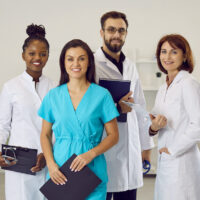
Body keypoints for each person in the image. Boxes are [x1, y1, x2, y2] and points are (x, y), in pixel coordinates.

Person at [38, 39, 119, 200]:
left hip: (92, 170)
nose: (76, 63)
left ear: (89, 62)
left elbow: (113, 136)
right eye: (70, 58)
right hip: (60, 170)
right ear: (63, 63)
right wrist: (51, 164)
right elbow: (45, 135)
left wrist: (90, 154)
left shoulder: (102, 95)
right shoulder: (53, 96)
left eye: (81, 58)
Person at [94, 11, 154, 200]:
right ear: (102, 32)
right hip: (104, 147)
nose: (117, 35)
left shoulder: (131, 65)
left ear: (126, 33)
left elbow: (140, 107)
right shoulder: (92, 64)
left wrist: (146, 148)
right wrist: (117, 108)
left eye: (121, 30)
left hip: (130, 149)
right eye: (111, 30)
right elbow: (87, 108)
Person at [0, 24, 55, 200]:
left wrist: (47, 154)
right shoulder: (11, 87)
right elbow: (2, 125)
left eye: (43, 53)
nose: (37, 58)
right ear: (23, 55)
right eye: (32, 53)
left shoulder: (55, 88)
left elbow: (58, 125)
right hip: (17, 161)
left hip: (47, 160)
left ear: (48, 56)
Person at [149, 34, 200, 200]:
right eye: (163, 52)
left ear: (184, 56)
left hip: (182, 161)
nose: (167, 57)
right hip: (166, 160)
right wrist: (152, 127)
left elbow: (197, 125)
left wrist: (172, 150)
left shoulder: (188, 83)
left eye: (174, 52)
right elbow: (155, 121)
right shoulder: (164, 87)